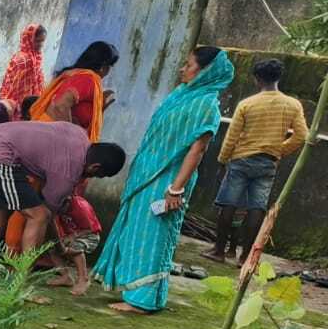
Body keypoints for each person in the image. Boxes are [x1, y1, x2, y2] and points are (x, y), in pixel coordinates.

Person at [92, 48, 233, 314]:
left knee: (153, 235)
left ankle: (143, 300)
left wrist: (175, 189)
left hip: (168, 180)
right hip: (147, 175)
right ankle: (136, 290)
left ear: (206, 71)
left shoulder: (206, 105)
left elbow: (197, 149)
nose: (182, 69)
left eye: (188, 65)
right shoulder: (181, 95)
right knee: (136, 232)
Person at [0, 121, 126, 293]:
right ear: (94, 167)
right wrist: (61, 247)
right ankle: (21, 285)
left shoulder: (79, 134)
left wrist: (60, 247)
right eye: (97, 176)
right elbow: (46, 217)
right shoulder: (67, 174)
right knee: (38, 215)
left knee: (5, 207)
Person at [8, 40, 121, 251]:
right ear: (103, 66)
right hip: (53, 150)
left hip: (47, 144)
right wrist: (71, 139)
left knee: (35, 204)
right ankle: (15, 257)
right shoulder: (88, 79)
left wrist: (99, 109)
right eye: (109, 67)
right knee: (32, 204)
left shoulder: (73, 75)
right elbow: (60, 105)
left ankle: (27, 256)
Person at [205, 57, 308, 263]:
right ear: (278, 78)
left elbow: (231, 137)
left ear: (257, 79)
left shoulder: (247, 104)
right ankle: (245, 257)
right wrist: (278, 151)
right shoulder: (293, 105)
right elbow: (302, 136)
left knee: (228, 204)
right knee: (257, 208)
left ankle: (219, 251)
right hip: (268, 163)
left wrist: (223, 160)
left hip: (241, 160)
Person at [0, 24, 47, 106]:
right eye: (37, 41)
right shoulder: (23, 60)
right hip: (18, 105)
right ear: (29, 39)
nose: (41, 44)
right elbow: (17, 90)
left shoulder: (36, 58)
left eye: (42, 41)